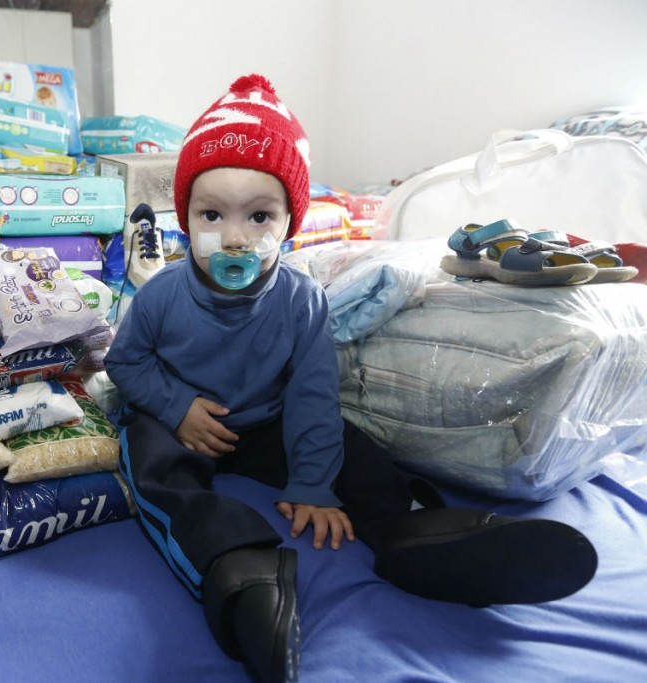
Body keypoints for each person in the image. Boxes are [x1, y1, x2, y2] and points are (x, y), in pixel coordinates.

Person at [103, 74, 598, 683]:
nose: (234, 238)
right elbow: (124, 363)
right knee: (149, 462)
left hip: (264, 422)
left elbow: (312, 394)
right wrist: (175, 405)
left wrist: (312, 482)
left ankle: (413, 531)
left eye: (259, 217)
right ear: (187, 220)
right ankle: (237, 567)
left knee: (349, 447)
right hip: (182, 423)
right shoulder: (161, 297)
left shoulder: (302, 299)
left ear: (289, 224)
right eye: (212, 215)